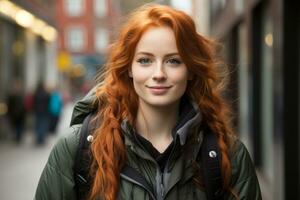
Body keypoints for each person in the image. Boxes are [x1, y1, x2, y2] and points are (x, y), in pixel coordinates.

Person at [35, 4, 261, 200]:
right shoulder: (77, 148)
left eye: (173, 61)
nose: (159, 73)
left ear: (191, 69)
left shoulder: (229, 156)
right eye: (145, 60)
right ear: (129, 68)